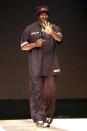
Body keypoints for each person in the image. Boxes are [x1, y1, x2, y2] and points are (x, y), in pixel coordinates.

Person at [20, 6, 62, 128]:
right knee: (36, 93)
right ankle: (38, 118)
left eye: (46, 14)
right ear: (37, 15)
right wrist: (34, 44)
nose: (44, 16)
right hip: (35, 66)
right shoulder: (29, 28)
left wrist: (51, 32)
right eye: (41, 14)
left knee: (50, 93)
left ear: (48, 15)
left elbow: (59, 38)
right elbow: (23, 46)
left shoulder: (55, 27)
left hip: (51, 65)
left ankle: (48, 117)